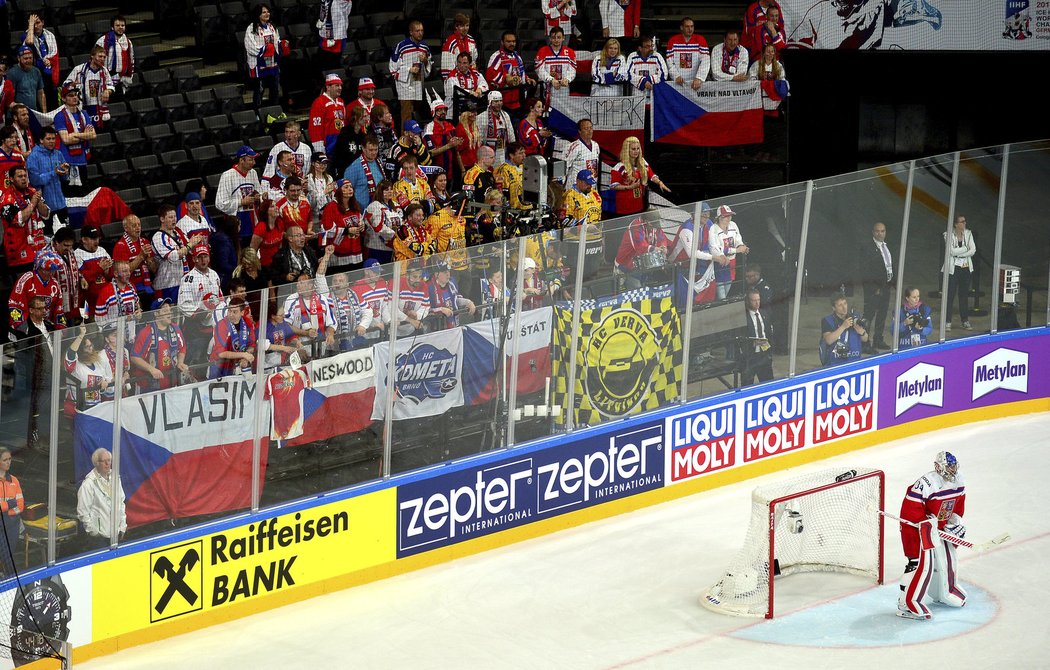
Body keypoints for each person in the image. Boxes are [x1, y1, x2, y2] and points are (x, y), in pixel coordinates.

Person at [898, 451, 967, 620]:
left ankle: (943, 592)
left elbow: (957, 507)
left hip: (936, 527)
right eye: (948, 466)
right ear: (939, 467)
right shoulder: (926, 483)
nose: (952, 469)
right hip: (914, 528)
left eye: (953, 465)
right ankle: (904, 605)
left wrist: (954, 524)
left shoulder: (958, 479)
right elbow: (910, 511)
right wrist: (927, 525)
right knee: (917, 564)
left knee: (946, 559)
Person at [131, 298, 190, 392]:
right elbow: (134, 357)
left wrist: (180, 362)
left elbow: (182, 348)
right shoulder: (146, 333)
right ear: (156, 314)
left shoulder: (175, 329)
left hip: (172, 384)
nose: (169, 313)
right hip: (149, 388)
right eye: (165, 310)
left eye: (170, 310)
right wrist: (151, 369)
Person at [178, 245, 224, 362]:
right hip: (196, 329)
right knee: (196, 359)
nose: (203, 260)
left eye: (205, 256)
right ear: (194, 259)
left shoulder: (214, 274)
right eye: (200, 257)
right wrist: (202, 314)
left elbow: (220, 297)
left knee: (214, 356)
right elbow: (183, 304)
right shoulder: (188, 279)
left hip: (214, 325)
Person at [2, 164, 50, 276]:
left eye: (25, 176)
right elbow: (18, 220)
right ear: (11, 179)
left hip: (37, 249)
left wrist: (38, 202)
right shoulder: (6, 198)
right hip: (19, 253)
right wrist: (33, 203)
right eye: (20, 176)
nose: (23, 179)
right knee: (25, 287)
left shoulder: (32, 191)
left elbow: (46, 214)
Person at [77, 447, 126, 550]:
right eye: (104, 461)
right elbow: (82, 512)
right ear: (96, 463)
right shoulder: (88, 484)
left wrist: (122, 526)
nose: (108, 464)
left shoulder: (116, 478)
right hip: (99, 539)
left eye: (109, 460)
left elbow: (121, 503)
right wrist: (94, 532)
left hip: (116, 534)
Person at [608, 136, 670, 216]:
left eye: (638, 148)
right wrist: (630, 187)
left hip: (639, 206)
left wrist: (659, 182)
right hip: (624, 208)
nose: (636, 151)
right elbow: (613, 186)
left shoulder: (642, 162)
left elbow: (651, 175)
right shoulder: (619, 167)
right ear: (627, 150)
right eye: (633, 149)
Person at [282, 266, 335, 357]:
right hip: (299, 345)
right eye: (297, 283)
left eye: (301, 283)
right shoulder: (291, 299)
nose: (298, 285)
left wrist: (330, 335)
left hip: (321, 344)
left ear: (310, 285)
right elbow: (286, 326)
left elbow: (331, 322)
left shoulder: (322, 299)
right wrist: (306, 333)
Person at [216, 145, 263, 245]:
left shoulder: (253, 173)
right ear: (241, 160)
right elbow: (220, 203)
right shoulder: (227, 175)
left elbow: (259, 191)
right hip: (236, 221)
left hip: (251, 220)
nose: (254, 163)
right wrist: (241, 202)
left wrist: (259, 196)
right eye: (250, 160)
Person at [857, 221, 894, 351]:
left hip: (886, 287)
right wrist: (874, 289)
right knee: (869, 315)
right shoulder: (867, 248)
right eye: (877, 231)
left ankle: (878, 339)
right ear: (873, 232)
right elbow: (865, 271)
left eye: (883, 231)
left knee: (882, 315)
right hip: (874, 290)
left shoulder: (886, 247)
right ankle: (865, 343)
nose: (880, 233)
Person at [390, 20, 432, 131]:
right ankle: (405, 140)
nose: (420, 33)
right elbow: (393, 69)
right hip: (404, 85)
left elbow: (428, 69)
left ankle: (415, 136)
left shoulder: (425, 47)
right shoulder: (401, 46)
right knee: (406, 114)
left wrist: (426, 61)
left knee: (416, 112)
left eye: (422, 30)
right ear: (411, 32)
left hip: (418, 84)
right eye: (417, 31)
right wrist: (409, 70)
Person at [562, 170, 604, 280]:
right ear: (578, 181)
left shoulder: (594, 193)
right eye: (587, 183)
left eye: (591, 183)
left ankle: (590, 296)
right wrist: (584, 227)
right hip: (577, 243)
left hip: (595, 242)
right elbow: (564, 220)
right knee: (576, 275)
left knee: (593, 273)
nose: (589, 186)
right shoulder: (570, 196)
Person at [63, 324, 114, 415]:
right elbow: (71, 354)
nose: (91, 348)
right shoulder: (75, 366)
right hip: (77, 409)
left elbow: (104, 383)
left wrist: (103, 384)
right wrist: (81, 335)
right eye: (87, 347)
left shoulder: (97, 363)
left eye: (91, 345)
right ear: (80, 350)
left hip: (95, 409)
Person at [25, 126, 70, 229]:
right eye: (48, 139)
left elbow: (64, 179)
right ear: (41, 140)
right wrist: (53, 172)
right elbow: (35, 180)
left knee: (66, 235)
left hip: (61, 204)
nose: (51, 141)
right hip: (45, 207)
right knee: (49, 237)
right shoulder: (33, 156)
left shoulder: (58, 154)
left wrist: (65, 172)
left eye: (53, 138)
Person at [614, 210, 671, 288]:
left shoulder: (654, 225)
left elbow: (662, 238)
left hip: (640, 265)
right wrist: (656, 249)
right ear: (646, 221)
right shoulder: (635, 227)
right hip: (624, 265)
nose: (655, 226)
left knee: (641, 287)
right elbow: (640, 246)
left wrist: (663, 246)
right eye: (653, 224)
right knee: (628, 290)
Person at [9, 251, 63, 331]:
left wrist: (61, 327)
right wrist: (20, 325)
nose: (51, 273)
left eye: (53, 270)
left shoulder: (55, 284)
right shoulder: (26, 279)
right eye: (48, 270)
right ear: (39, 267)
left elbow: (59, 308)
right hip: (26, 326)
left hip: (45, 326)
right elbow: (14, 303)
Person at [486, 31, 534, 119]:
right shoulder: (496, 56)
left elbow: (520, 72)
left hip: (518, 100)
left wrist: (527, 78)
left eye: (514, 41)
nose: (512, 44)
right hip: (503, 102)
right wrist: (506, 79)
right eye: (508, 41)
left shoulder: (517, 56)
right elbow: (490, 76)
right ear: (502, 42)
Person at [243, 3, 284, 108]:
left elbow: (276, 40)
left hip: (273, 63)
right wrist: (265, 49)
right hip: (259, 64)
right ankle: (257, 113)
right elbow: (250, 46)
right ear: (258, 14)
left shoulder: (272, 26)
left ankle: (274, 112)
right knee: (260, 89)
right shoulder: (251, 28)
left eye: (268, 11)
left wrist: (282, 44)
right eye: (264, 12)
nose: (267, 14)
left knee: (275, 88)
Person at [63, 47, 114, 128]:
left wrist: (107, 91)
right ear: (92, 56)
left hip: (98, 106)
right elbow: (65, 84)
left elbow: (110, 85)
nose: (102, 59)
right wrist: (73, 84)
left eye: (104, 57)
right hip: (82, 106)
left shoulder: (104, 71)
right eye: (100, 56)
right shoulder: (79, 69)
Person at [319, 179, 365, 270]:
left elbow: (360, 220)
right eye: (346, 187)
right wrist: (347, 230)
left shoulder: (354, 206)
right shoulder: (331, 207)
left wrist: (362, 226)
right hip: (338, 257)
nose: (350, 189)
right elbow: (326, 231)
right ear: (339, 190)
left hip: (356, 254)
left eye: (351, 187)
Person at [41, 228, 81, 327]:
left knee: (71, 333)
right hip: (54, 305)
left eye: (71, 245)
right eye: (65, 245)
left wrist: (81, 277)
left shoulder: (69, 252)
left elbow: (71, 268)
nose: (68, 248)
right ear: (56, 243)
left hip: (69, 303)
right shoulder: (45, 257)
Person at [943, 214, 976, 332]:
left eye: (965, 221)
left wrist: (959, 253)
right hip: (954, 269)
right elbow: (951, 251)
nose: (964, 223)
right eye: (962, 221)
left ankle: (965, 320)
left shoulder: (968, 233)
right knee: (950, 295)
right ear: (956, 224)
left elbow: (973, 250)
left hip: (966, 269)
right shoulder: (948, 235)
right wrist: (965, 249)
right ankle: (947, 321)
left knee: (963, 296)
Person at [209, 296, 257, 378]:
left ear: (242, 313)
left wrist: (245, 357)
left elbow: (251, 345)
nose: (231, 314)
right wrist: (243, 355)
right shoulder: (221, 325)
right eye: (229, 311)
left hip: (237, 365)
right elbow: (222, 353)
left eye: (235, 312)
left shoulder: (247, 322)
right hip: (219, 366)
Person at [709, 205, 749, 299]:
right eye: (726, 216)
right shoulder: (713, 228)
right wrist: (737, 250)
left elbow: (738, 238)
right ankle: (722, 305)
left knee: (728, 285)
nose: (729, 218)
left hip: (732, 261)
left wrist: (741, 246)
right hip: (720, 262)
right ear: (719, 217)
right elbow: (717, 248)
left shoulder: (733, 225)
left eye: (730, 215)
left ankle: (723, 304)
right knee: (721, 290)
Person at [93, 260, 139, 338]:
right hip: (114, 339)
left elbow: (137, 306)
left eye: (129, 271)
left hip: (131, 336)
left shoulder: (132, 287)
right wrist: (121, 321)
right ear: (116, 274)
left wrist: (138, 313)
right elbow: (99, 320)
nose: (128, 274)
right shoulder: (106, 292)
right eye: (124, 271)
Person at [820, 292, 868, 366]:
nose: (844, 307)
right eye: (840, 305)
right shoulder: (827, 321)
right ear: (833, 308)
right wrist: (843, 327)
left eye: (845, 303)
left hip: (854, 361)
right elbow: (828, 340)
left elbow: (865, 339)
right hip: (834, 364)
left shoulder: (855, 318)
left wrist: (862, 332)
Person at [21, 13, 59, 107]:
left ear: (43, 22)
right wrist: (30, 25)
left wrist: (50, 60)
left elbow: (54, 54)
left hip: (49, 74)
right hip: (34, 75)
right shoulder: (26, 35)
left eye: (38, 23)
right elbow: (29, 41)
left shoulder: (50, 35)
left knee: (53, 102)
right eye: (33, 24)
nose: (36, 26)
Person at [75, 227, 113, 319]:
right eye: (92, 239)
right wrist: (99, 268)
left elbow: (111, 275)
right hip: (90, 305)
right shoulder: (77, 254)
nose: (96, 241)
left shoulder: (102, 250)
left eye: (97, 238)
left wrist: (107, 271)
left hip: (108, 301)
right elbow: (83, 281)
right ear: (84, 239)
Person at [362, 179, 401, 265]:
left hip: (393, 249)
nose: (390, 192)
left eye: (391, 189)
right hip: (376, 249)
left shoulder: (395, 205)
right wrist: (396, 236)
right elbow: (379, 228)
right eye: (386, 190)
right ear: (380, 191)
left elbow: (402, 223)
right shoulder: (375, 206)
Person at [534, 27, 576, 104]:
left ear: (563, 38)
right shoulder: (542, 51)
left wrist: (567, 79)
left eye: (559, 37)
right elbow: (539, 70)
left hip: (563, 88)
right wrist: (551, 80)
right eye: (553, 37)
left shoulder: (570, 52)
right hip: (545, 88)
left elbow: (572, 70)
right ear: (550, 38)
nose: (556, 40)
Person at [423, 93, 461, 178]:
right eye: (439, 110)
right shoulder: (429, 128)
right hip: (436, 171)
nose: (443, 112)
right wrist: (449, 145)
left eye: (444, 110)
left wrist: (458, 142)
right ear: (433, 112)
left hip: (451, 169)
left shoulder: (450, 126)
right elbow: (431, 152)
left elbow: (456, 147)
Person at [344, 134, 387, 210]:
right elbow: (346, 192)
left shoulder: (379, 163)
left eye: (376, 150)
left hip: (380, 209)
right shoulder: (354, 168)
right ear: (363, 149)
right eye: (371, 150)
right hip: (362, 212)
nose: (374, 153)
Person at [96, 15, 135, 97]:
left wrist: (129, 78)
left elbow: (131, 61)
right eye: (117, 25)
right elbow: (95, 60)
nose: (120, 27)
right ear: (112, 27)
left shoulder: (128, 42)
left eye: (122, 25)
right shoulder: (103, 41)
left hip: (122, 81)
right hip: (106, 80)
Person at [427, 262, 474, 330]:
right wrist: (441, 310)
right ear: (436, 274)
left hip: (454, 324)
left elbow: (455, 300)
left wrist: (468, 302)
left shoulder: (452, 283)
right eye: (444, 272)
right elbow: (425, 310)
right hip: (437, 328)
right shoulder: (429, 287)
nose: (448, 274)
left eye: (448, 271)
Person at [666, 17, 709, 92]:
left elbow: (705, 61)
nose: (690, 29)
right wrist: (676, 76)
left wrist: (699, 78)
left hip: (695, 84)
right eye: (687, 26)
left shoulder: (701, 40)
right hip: (677, 83)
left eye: (692, 26)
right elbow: (669, 62)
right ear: (681, 27)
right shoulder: (672, 41)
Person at [0, 447, 25, 576]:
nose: (8, 462)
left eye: (10, 459)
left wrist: (4, 510)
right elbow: (13, 503)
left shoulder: (14, 481)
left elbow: (20, 505)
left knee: (8, 554)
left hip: (12, 524)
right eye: (5, 460)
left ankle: (9, 578)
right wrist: (9, 504)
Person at [742, 288, 774, 384]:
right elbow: (741, 339)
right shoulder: (744, 318)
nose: (757, 303)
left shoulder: (765, 313)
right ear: (748, 301)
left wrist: (770, 353)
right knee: (747, 385)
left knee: (767, 383)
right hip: (750, 358)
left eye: (758, 300)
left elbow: (769, 333)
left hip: (764, 356)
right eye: (754, 300)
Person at [308, 74, 346, 155]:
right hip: (328, 147)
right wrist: (320, 150)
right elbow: (315, 129)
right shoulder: (319, 103)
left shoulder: (341, 102)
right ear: (328, 87)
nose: (340, 88)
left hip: (341, 145)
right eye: (337, 85)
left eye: (340, 85)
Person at [477, 92, 516, 169]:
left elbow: (511, 134)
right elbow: (479, 138)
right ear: (489, 102)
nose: (499, 103)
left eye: (500, 101)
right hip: (489, 152)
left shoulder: (505, 115)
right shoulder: (482, 117)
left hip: (503, 150)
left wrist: (513, 149)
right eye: (496, 101)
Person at [626, 36, 668, 103]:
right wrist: (643, 81)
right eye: (647, 47)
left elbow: (664, 74)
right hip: (637, 95)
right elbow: (628, 74)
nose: (651, 48)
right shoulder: (632, 56)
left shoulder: (657, 56)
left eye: (651, 46)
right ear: (640, 48)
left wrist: (649, 80)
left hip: (654, 93)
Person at [331, 106, 370, 176]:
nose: (366, 119)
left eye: (367, 116)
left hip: (361, 172)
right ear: (356, 117)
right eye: (364, 116)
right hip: (346, 172)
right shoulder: (344, 135)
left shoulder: (363, 136)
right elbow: (338, 157)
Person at [440, 13, 478, 81]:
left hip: (470, 80)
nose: (465, 28)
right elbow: (446, 71)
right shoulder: (450, 43)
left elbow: (473, 62)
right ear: (456, 26)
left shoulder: (471, 40)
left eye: (467, 25)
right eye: (462, 26)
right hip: (455, 81)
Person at [563, 118, 600, 188]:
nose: (589, 131)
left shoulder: (596, 145)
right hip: (575, 188)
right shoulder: (573, 147)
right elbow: (564, 166)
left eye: (591, 128)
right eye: (586, 129)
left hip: (591, 188)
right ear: (579, 131)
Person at [495, 143, 532, 210]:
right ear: (511, 155)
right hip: (514, 210)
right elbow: (502, 192)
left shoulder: (525, 167)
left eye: (524, 153)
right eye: (520, 153)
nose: (524, 155)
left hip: (528, 207)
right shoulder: (504, 169)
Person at [8, 46, 46, 112]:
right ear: (18, 58)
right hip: (18, 114)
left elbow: (41, 93)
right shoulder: (12, 73)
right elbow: (8, 98)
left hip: (33, 113)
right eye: (25, 58)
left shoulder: (36, 71)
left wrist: (45, 112)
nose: (28, 60)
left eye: (30, 58)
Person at [454, 109, 481, 176]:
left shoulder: (475, 128)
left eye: (475, 111)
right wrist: (462, 169)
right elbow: (457, 152)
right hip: (465, 165)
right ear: (465, 114)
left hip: (475, 164)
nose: (474, 114)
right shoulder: (460, 129)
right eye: (471, 112)